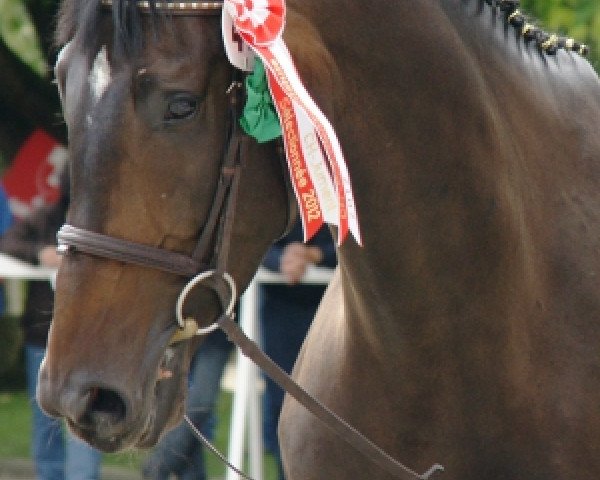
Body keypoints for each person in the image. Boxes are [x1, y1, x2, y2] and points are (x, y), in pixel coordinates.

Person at [0, 172, 102, 480]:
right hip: (43, 337)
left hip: (90, 340)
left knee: (84, 419)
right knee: (45, 419)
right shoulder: (46, 219)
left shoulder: (106, 226)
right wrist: (40, 254)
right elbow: (10, 240)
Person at [259, 220, 336, 480]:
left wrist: (317, 255)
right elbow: (248, 235)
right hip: (282, 309)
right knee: (281, 407)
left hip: (335, 308)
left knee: (334, 407)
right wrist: (280, 259)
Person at [142, 328, 233, 480]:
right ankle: (159, 466)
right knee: (188, 404)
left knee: (199, 405)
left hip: (218, 331)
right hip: (184, 331)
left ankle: (160, 465)